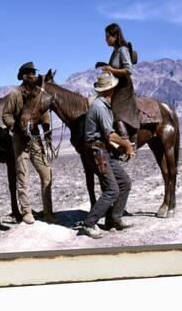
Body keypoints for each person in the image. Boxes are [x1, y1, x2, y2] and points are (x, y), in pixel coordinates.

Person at [78, 71, 135, 239]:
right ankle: (89, 224)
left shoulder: (104, 105)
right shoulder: (100, 107)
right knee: (112, 189)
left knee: (125, 182)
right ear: (110, 90)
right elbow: (110, 135)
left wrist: (122, 147)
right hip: (97, 152)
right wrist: (127, 145)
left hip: (105, 151)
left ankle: (113, 219)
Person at [2, 62, 55, 224]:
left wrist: (47, 129)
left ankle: (48, 212)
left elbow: (44, 113)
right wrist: (16, 126)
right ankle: (26, 211)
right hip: (19, 139)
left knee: (46, 173)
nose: (32, 75)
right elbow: (6, 115)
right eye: (29, 73)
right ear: (23, 76)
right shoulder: (15, 94)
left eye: (33, 73)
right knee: (22, 176)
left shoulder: (38, 93)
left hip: (35, 137)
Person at [99, 23, 140, 147]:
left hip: (124, 87)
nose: (106, 40)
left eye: (108, 37)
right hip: (115, 86)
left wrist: (110, 70)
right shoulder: (114, 51)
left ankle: (127, 142)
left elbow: (128, 70)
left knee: (116, 111)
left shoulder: (123, 50)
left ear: (115, 36)